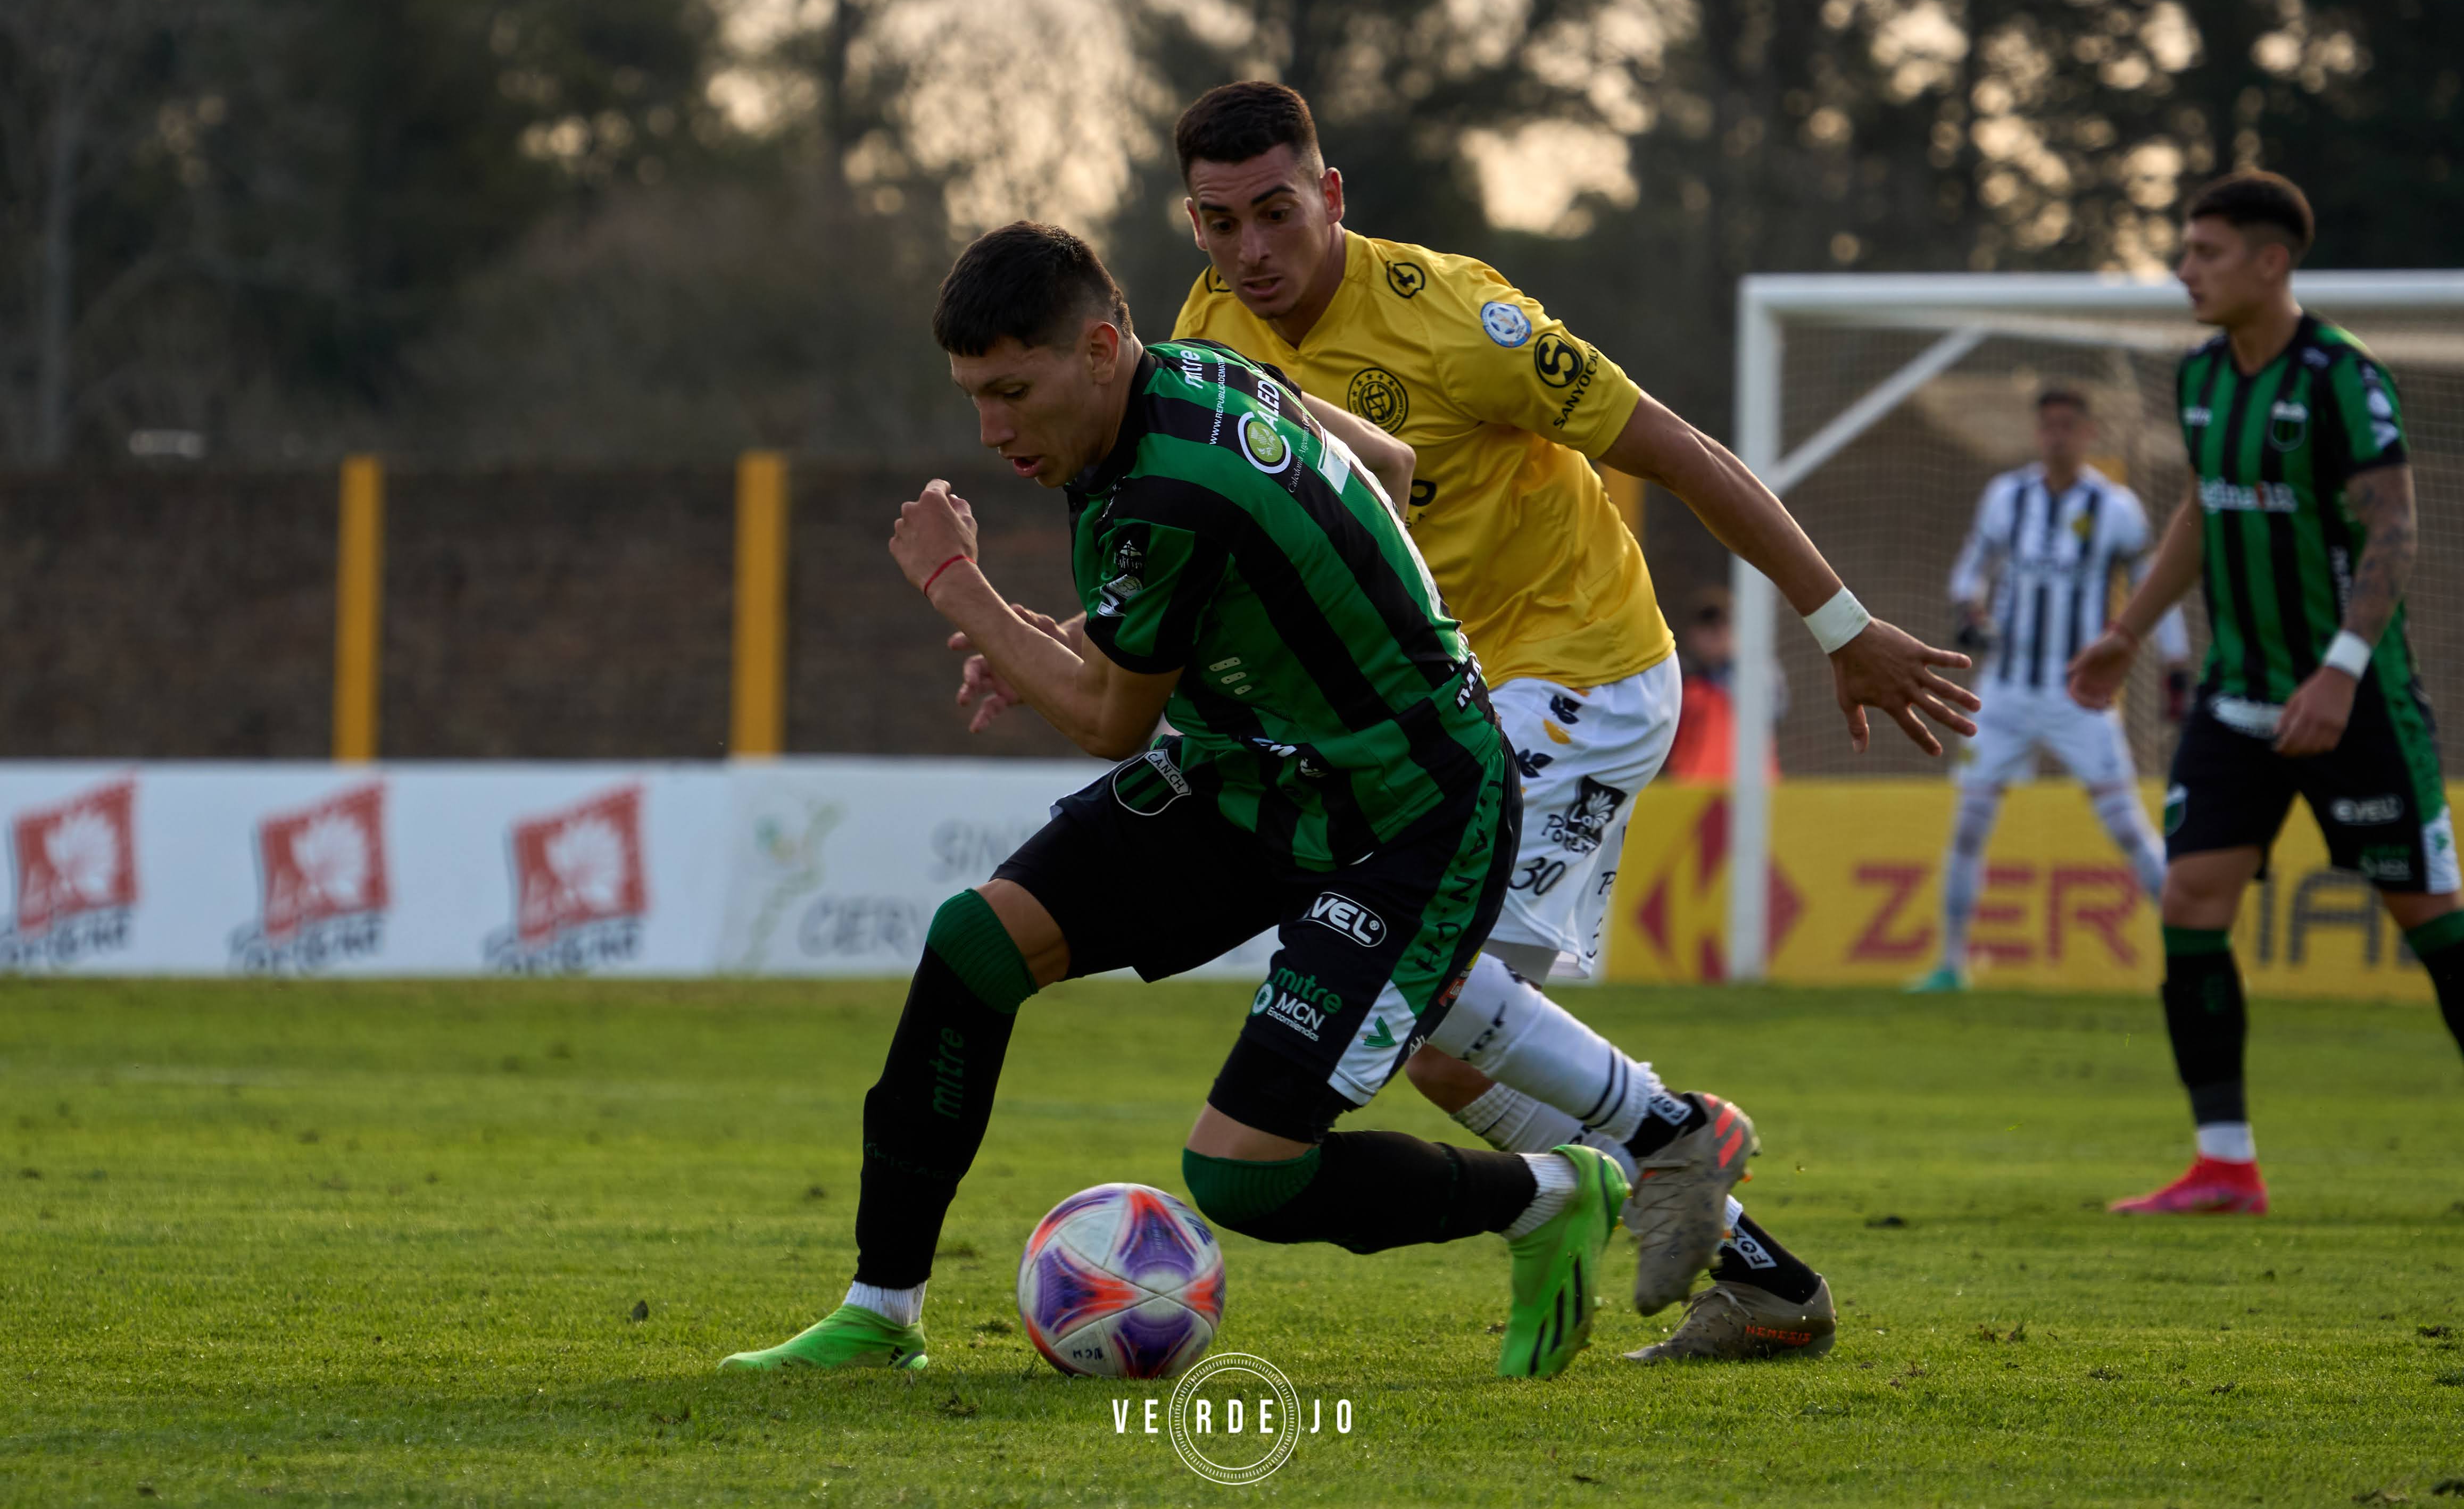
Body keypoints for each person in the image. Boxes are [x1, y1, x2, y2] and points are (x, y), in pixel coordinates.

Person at [1155, 80, 1978, 1361]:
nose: (1249, 251)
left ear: (1328, 196)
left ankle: (1672, 1134)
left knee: (1429, 989)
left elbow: (1681, 448)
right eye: (1217, 223)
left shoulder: (1457, 320)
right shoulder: (1207, 332)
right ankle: (1766, 1286)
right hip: (1452, 712)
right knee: (1449, 1055)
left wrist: (1842, 626)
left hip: (1582, 672)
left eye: (1274, 212)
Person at [722, 221, 1627, 1383]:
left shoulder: (1169, 485)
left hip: (1408, 811)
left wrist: (960, 587)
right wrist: (1118, 641)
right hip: (1254, 767)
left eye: (1011, 391)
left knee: (1245, 1173)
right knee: (972, 948)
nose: (992, 429)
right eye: (971, 398)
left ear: (1098, 349)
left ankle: (1551, 1192)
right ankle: (878, 1309)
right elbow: (1388, 475)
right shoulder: (1199, 370)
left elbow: (1107, 720)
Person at [2070, 172, 2463, 1215]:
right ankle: (2223, 1161)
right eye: (2183, 251)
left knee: (2428, 917)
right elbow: (2200, 514)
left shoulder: (2341, 376)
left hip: (2353, 696)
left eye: (2201, 251)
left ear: (2267, 260)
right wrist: (2121, 631)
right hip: (2235, 696)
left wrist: (2337, 667)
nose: (2181, 269)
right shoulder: (2200, 378)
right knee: (2189, 900)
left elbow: (2392, 527)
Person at [1906, 386, 2194, 993]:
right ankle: (1952, 965)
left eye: (2068, 424)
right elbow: (1968, 570)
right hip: (2005, 693)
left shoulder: (2115, 508)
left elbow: (2155, 593)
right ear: (2037, 432)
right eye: (2048, 425)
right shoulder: (2006, 498)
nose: (2057, 435)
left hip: (2079, 698)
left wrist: (2175, 665)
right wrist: (1969, 611)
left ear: (2088, 433)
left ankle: (2195, 956)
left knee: (2125, 828)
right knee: (1968, 822)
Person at [1662, 586, 1783, 786]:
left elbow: (1775, 707)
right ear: (1692, 635)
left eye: (1721, 626)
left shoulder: (1757, 676)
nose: (1714, 635)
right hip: (1693, 797)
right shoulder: (1679, 682)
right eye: (1706, 627)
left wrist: (1736, 658)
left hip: (1754, 793)